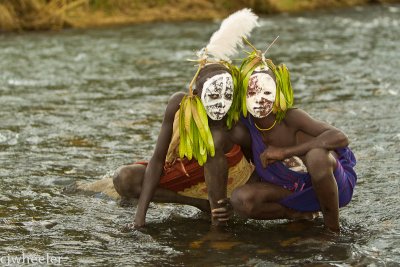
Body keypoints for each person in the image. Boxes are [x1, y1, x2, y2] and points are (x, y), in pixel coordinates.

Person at [214, 42, 357, 232]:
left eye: (266, 92)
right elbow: (215, 121)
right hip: (290, 189)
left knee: (317, 156)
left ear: (277, 93)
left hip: (331, 186)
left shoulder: (291, 117)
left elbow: (340, 137)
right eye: (252, 92)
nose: (260, 99)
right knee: (240, 199)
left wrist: (285, 152)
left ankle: (332, 230)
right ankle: (299, 215)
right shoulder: (246, 125)